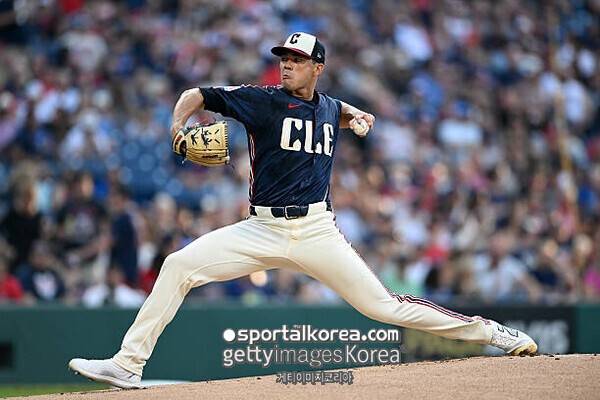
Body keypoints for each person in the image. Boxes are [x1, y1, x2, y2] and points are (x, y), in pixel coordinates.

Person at [68, 32, 537, 389]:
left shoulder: (329, 106)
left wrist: (358, 115)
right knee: (178, 266)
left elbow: (334, 108)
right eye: (283, 58)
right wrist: (177, 126)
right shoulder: (263, 101)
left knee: (383, 306)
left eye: (296, 60)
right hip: (260, 229)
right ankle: (127, 364)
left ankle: (489, 332)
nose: (286, 65)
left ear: (317, 68)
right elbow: (198, 94)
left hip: (316, 230)